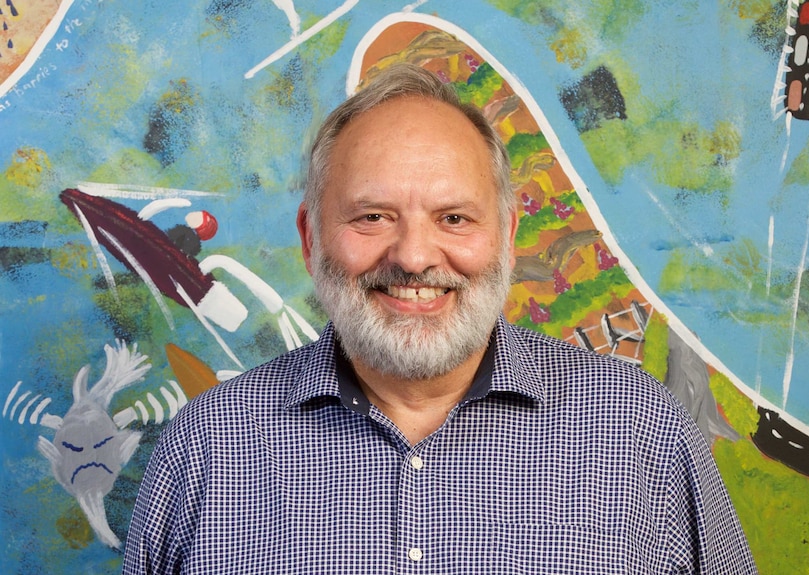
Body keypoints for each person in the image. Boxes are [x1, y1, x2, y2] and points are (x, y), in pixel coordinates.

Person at [123, 63, 758, 574]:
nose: (414, 256)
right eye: (371, 216)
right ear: (311, 238)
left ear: (506, 237)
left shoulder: (642, 429)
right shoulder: (206, 445)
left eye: (454, 218)